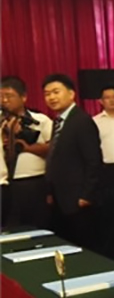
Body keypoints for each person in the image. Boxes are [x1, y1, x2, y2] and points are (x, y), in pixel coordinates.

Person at [43, 74, 103, 248]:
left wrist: (87, 195)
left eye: (56, 92)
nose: (51, 97)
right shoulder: (58, 121)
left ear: (71, 94)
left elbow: (94, 160)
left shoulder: (81, 121)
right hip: (61, 198)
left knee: (86, 246)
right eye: (47, 94)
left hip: (79, 199)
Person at [1, 75, 52, 228]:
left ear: (23, 97)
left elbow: (54, 149)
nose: (4, 100)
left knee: (38, 226)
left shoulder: (41, 120)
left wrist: (27, 146)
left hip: (34, 182)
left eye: (9, 96)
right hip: (5, 185)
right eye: (1, 96)